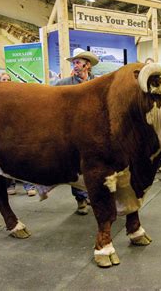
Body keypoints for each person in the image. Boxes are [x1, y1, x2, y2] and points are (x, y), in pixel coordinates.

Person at [53, 48, 100, 214]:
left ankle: (94, 196)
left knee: (95, 166)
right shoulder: (63, 84)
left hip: (95, 132)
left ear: (87, 65)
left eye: (78, 62)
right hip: (73, 132)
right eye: (74, 62)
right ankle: (80, 199)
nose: (75, 65)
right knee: (76, 165)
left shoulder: (97, 83)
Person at [0, 72, 37, 196]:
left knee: (23, 158)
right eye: (3, 79)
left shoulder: (16, 94)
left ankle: (29, 185)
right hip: (2, 133)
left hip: (17, 132)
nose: (6, 81)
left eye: (8, 79)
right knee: (6, 160)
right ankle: (10, 185)